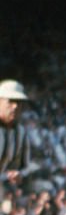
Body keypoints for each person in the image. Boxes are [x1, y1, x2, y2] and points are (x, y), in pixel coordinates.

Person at [0, 80, 32, 208]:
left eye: (18, 103)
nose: (15, 106)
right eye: (10, 101)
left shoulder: (21, 132)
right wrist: (5, 176)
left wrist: (19, 175)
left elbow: (26, 166)